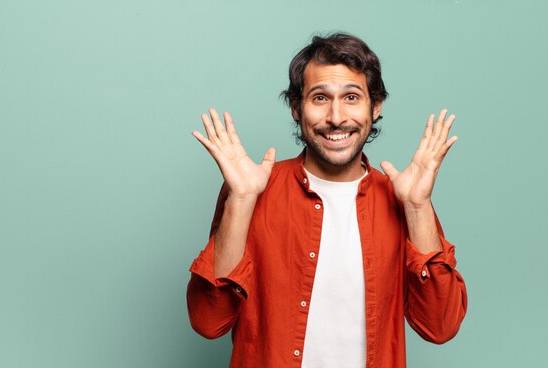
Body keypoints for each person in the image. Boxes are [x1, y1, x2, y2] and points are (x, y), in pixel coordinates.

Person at [187, 33, 467, 367]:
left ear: (375, 107)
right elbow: (208, 321)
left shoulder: (405, 199)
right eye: (320, 98)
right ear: (296, 107)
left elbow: (440, 326)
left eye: (352, 97)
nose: (336, 117)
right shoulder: (251, 191)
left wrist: (418, 208)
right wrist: (242, 199)